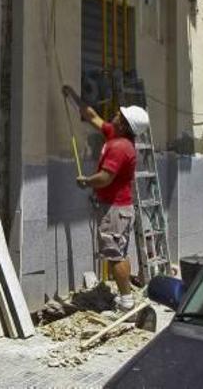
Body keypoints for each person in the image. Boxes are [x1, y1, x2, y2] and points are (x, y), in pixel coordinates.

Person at [62, 85, 149, 312]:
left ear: (125, 124)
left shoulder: (120, 147)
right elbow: (93, 117)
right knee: (118, 253)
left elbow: (105, 178)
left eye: (121, 115)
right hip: (117, 208)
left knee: (115, 256)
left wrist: (86, 181)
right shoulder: (115, 134)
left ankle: (126, 302)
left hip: (115, 209)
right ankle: (125, 297)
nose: (116, 114)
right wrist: (73, 95)